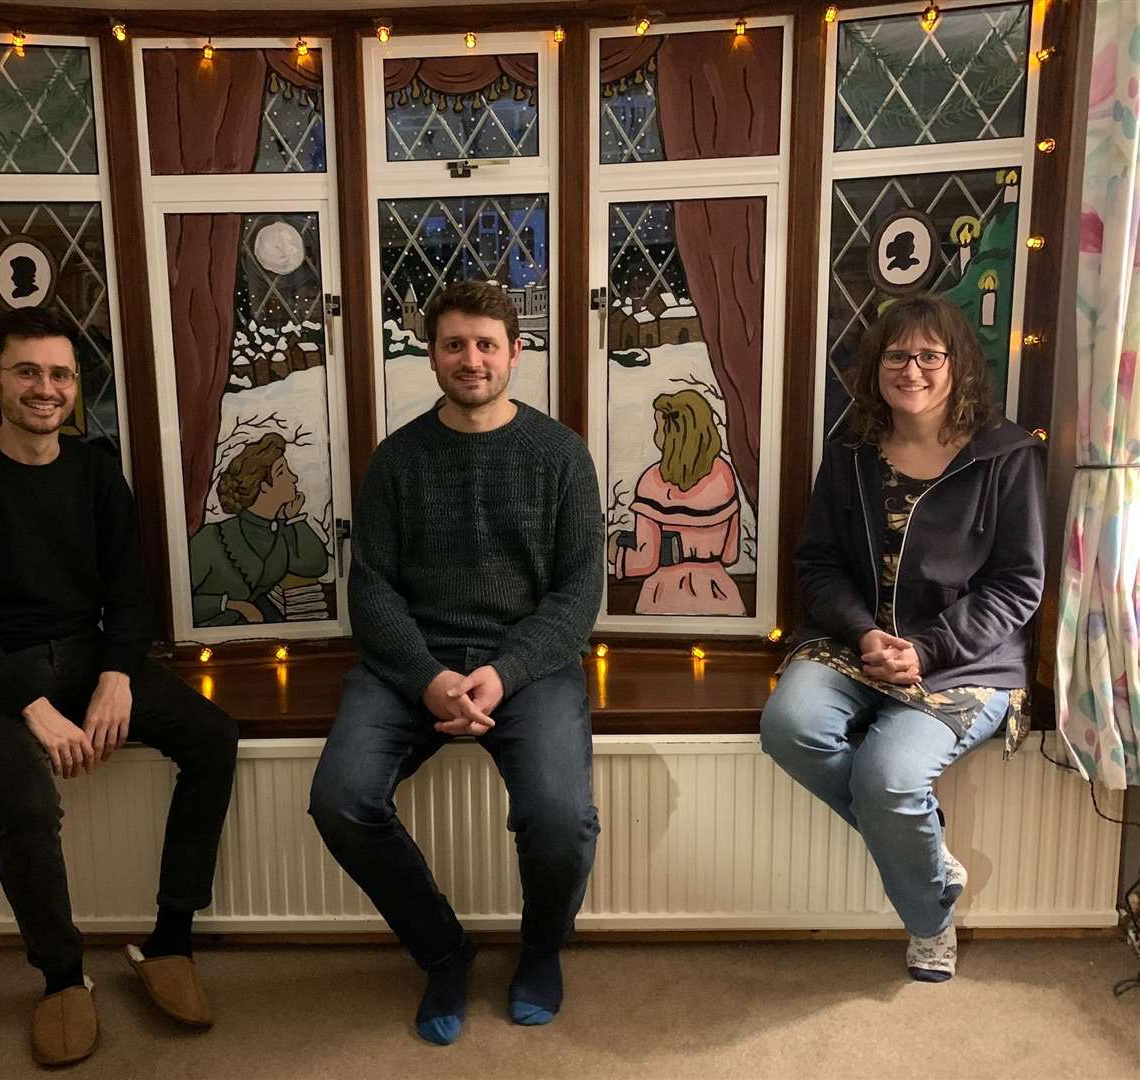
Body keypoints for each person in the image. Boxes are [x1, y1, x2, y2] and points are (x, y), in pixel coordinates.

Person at [0, 308, 241, 1067]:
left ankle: (169, 941)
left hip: (90, 656)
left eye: (60, 374)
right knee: (26, 804)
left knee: (214, 739)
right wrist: (34, 710)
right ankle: (62, 977)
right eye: (27, 371)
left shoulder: (95, 471)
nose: (46, 388)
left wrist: (119, 674)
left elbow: (131, 590)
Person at [308, 280, 604, 1045]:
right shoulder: (398, 460)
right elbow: (370, 592)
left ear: (515, 351)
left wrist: (503, 672)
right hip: (411, 666)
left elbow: (579, 593)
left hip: (527, 665)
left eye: (485, 344)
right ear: (431, 354)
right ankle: (445, 953)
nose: (470, 359)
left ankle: (540, 950)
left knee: (561, 820)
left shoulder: (561, 455)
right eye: (453, 345)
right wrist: (429, 677)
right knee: (340, 800)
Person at [760, 293, 1045, 982]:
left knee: (887, 778)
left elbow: (1018, 585)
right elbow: (818, 564)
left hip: (966, 659)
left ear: (958, 365)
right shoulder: (850, 453)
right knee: (788, 725)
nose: (911, 369)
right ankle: (926, 859)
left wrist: (926, 649)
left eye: (929, 355)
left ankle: (927, 921)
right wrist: (864, 635)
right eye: (896, 354)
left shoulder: (1005, 456)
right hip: (855, 643)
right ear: (876, 366)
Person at [610, 387, 746, 616]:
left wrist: (615, 549)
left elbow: (646, 561)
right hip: (720, 594)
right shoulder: (724, 474)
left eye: (659, 427)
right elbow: (730, 555)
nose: (656, 434)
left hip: (663, 598)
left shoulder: (653, 482)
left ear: (672, 433)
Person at [189, 433, 330, 626]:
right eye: (282, 472)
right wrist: (232, 605)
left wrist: (294, 519)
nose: (294, 477)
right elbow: (180, 602)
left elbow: (316, 565)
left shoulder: (281, 531)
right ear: (262, 486)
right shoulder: (212, 538)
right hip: (209, 640)